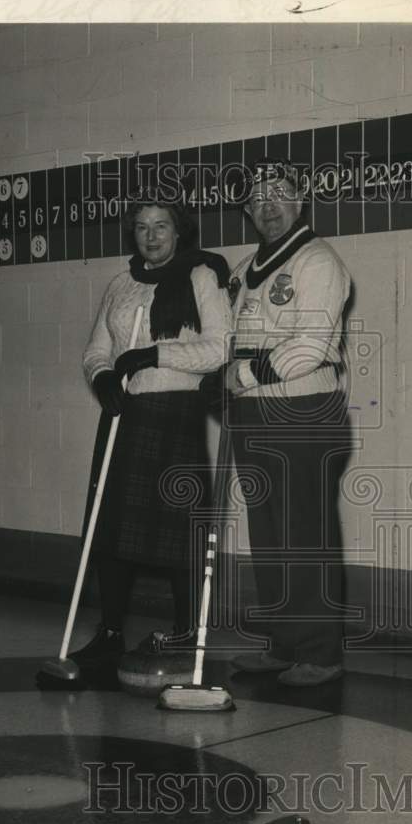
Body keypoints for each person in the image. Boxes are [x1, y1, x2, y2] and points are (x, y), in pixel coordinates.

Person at [70, 193, 233, 663]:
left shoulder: (202, 276)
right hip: (124, 414)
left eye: (161, 226)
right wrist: (102, 378)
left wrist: (153, 354)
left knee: (178, 529)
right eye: (142, 227)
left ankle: (185, 632)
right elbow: (95, 349)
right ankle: (112, 632)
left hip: (175, 411)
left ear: (179, 230)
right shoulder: (121, 284)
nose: (151, 236)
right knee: (112, 527)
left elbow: (220, 347)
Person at [208, 157, 352, 687]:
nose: (268, 205)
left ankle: (320, 652)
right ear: (246, 209)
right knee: (268, 533)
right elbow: (227, 338)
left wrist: (241, 373)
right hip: (251, 412)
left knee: (304, 533)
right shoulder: (245, 268)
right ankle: (284, 643)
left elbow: (311, 346)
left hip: (303, 412)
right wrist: (215, 377)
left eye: (278, 193)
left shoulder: (318, 262)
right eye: (257, 198)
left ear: (299, 199)